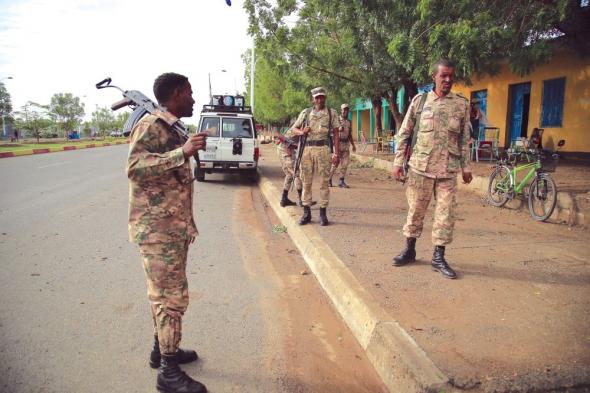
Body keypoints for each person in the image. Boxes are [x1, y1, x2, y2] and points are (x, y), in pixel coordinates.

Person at [126, 72, 208, 393]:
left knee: (162, 295)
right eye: (189, 92)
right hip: (158, 230)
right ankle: (168, 372)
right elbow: (134, 168)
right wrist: (182, 153)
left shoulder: (171, 127)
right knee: (170, 298)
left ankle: (161, 349)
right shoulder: (150, 126)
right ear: (175, 94)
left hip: (171, 228)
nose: (193, 98)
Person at [392, 59, 473, 279]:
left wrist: (466, 167)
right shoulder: (420, 101)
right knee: (416, 211)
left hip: (448, 170)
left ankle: (439, 257)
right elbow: (404, 133)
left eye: (450, 76)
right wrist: (398, 162)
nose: (447, 80)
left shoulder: (461, 104)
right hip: (420, 168)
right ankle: (409, 250)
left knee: (445, 215)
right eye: (443, 76)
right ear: (434, 77)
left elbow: (465, 138)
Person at [291, 87, 341, 226]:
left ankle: (323, 214)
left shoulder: (331, 113)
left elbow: (336, 133)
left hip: (323, 149)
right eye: (317, 97)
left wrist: (336, 153)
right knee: (306, 181)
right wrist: (302, 132)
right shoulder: (306, 113)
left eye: (322, 97)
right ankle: (306, 213)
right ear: (313, 99)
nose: (320, 99)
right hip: (307, 150)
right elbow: (294, 129)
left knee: (324, 183)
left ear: (325, 98)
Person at [329, 103, 356, 188]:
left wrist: (353, 145)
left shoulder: (349, 122)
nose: (345, 111)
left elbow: (350, 134)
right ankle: (329, 179)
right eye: (343, 109)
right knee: (335, 163)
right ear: (341, 110)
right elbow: (330, 131)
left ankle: (341, 181)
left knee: (345, 164)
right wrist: (338, 130)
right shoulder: (336, 120)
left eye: (346, 109)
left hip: (346, 145)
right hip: (338, 144)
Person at [277, 128, 303, 207]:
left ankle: (284, 199)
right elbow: (283, 139)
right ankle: (300, 200)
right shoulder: (296, 128)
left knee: (289, 175)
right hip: (285, 151)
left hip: (284, 150)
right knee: (296, 174)